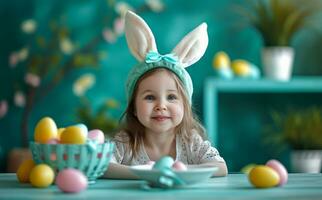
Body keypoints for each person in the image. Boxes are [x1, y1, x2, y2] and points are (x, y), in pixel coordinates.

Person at [104, 11, 227, 179]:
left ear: (185, 106)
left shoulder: (191, 142)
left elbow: (221, 168)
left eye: (171, 97)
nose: (161, 106)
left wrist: (177, 171)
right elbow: (104, 166)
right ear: (133, 107)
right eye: (149, 97)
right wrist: (148, 174)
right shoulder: (125, 143)